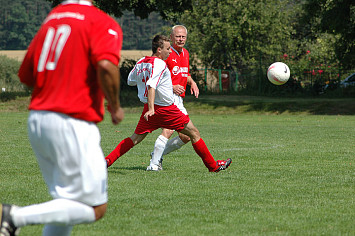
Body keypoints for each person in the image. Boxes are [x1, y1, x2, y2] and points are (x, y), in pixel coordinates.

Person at [0, 0, 124, 235]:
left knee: (66, 201)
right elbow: (107, 66)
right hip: (72, 121)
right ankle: (12, 215)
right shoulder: (100, 21)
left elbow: (26, 74)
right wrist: (115, 106)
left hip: (38, 119)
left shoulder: (53, 18)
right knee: (94, 207)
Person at [105, 35, 231, 173]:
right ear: (159, 50)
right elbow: (151, 85)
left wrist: (149, 99)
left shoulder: (141, 61)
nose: (170, 51)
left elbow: (130, 80)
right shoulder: (159, 63)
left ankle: (107, 161)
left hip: (148, 109)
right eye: (167, 48)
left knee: (134, 138)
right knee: (194, 133)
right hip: (165, 109)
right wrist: (152, 107)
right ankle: (213, 166)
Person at [148, 25, 198, 171]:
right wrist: (172, 87)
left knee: (186, 137)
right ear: (171, 37)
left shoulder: (186, 54)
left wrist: (192, 82)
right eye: (178, 36)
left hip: (179, 99)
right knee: (168, 130)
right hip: (167, 98)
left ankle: (156, 155)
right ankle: (153, 165)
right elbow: (156, 77)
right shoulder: (166, 54)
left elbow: (184, 74)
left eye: (183, 37)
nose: (181, 39)